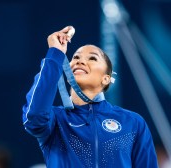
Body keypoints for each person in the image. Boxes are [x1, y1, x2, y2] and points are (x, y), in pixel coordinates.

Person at [22, 26, 158, 168]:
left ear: (106, 79)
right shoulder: (56, 120)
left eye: (92, 58)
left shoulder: (132, 122)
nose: (79, 61)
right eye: (75, 57)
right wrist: (55, 54)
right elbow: (34, 116)